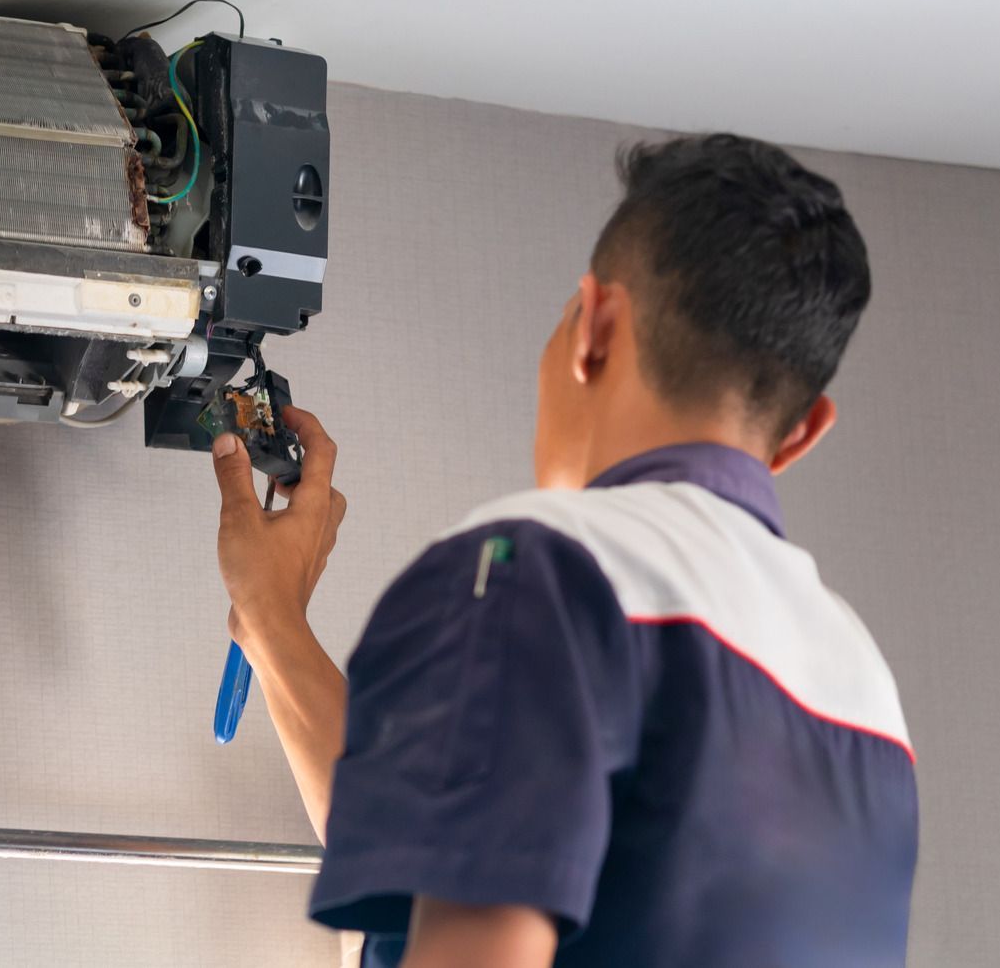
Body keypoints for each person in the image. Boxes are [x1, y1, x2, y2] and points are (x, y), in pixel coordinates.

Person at [208, 133, 917, 968]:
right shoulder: (864, 685)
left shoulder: (533, 570)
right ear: (801, 433)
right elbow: (464, 838)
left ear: (597, 327)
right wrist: (272, 621)